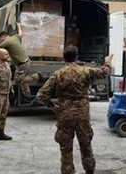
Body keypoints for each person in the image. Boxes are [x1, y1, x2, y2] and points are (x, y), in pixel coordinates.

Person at [36, 45, 113, 174]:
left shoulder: (58, 74)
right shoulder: (86, 71)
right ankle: (89, 170)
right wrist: (107, 62)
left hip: (65, 114)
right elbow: (104, 72)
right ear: (76, 57)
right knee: (86, 145)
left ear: (64, 57)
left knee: (65, 148)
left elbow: (41, 95)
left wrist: (52, 106)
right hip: (82, 114)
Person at [0, 22, 39, 102]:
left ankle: (35, 78)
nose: (1, 41)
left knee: (18, 80)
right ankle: (26, 95)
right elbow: (20, 33)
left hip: (22, 64)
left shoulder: (7, 42)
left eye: (1, 39)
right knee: (20, 79)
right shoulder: (15, 37)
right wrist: (19, 25)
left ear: (4, 36)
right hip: (26, 61)